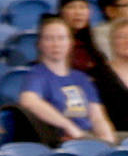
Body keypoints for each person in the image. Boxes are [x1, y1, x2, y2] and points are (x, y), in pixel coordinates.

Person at [17, 16, 118, 146]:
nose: (56, 44)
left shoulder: (81, 78)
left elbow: (97, 116)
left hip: (89, 136)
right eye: (49, 39)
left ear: (70, 43)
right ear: (40, 44)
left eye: (61, 38)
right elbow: (29, 101)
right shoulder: (37, 74)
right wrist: (68, 126)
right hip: (65, 140)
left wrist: (108, 140)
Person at [92, 17, 128, 130]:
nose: (126, 41)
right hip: (116, 136)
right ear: (112, 41)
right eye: (121, 37)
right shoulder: (99, 74)